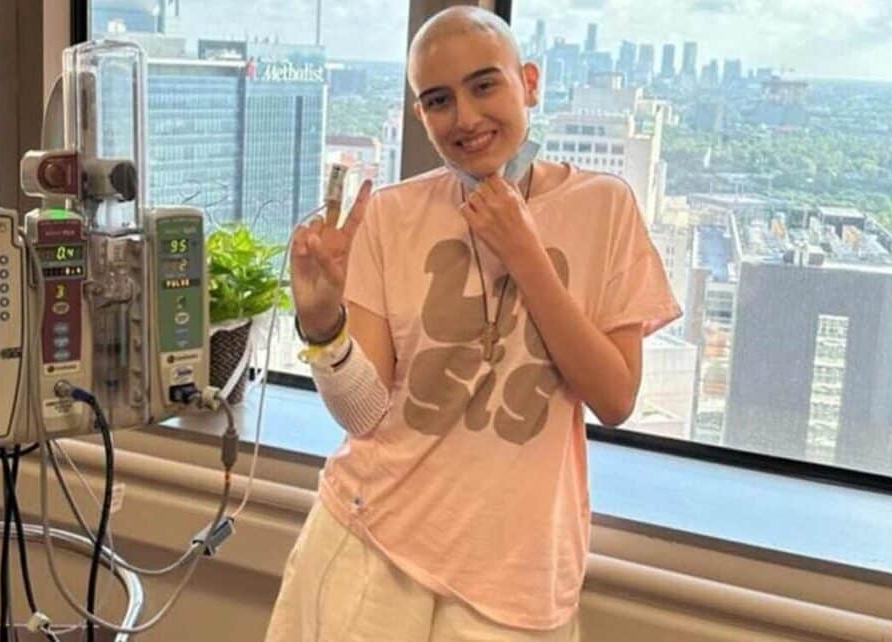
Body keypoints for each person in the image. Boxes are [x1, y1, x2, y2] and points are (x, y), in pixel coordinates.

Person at [265, 6, 680, 641]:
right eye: (438, 101)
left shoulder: (604, 207)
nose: (464, 118)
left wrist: (526, 254)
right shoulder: (392, 214)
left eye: (484, 85)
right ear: (420, 114)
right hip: (369, 542)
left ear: (529, 83)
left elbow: (615, 397)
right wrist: (322, 323)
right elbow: (365, 415)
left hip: (517, 571)